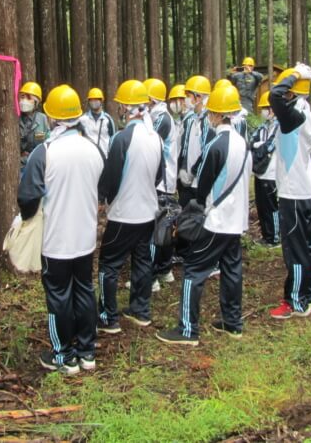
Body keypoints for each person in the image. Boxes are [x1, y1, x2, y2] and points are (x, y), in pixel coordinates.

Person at [17, 85, 105, 375]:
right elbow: (101, 188)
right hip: (85, 238)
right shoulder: (93, 149)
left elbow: (28, 197)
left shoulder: (45, 152)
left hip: (55, 240)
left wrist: (28, 217)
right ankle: (87, 351)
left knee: (58, 296)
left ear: (52, 118)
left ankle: (63, 355)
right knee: (83, 290)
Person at [156, 84, 248, 345]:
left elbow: (202, 185)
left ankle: (187, 330)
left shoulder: (215, 145)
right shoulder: (242, 142)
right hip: (234, 219)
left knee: (194, 270)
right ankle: (233, 322)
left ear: (217, 116)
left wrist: (198, 204)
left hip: (216, 218)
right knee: (232, 269)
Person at [97, 80, 164, 333]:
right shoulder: (155, 137)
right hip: (148, 212)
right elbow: (159, 176)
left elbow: (111, 176)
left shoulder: (121, 138)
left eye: (121, 105)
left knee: (108, 266)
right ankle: (140, 310)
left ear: (127, 106)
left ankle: (107, 317)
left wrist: (105, 200)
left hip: (124, 213)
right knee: (143, 260)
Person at [268, 64, 311, 319]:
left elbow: (273, 95)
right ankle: (308, 295)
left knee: (295, 249)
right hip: (301, 188)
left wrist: (295, 74)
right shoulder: (302, 112)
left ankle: (296, 300)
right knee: (305, 247)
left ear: (293, 92)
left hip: (294, 193)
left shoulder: (295, 115)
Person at [144, 78, 178, 286]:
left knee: (157, 231)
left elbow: (150, 143)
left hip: (161, 182)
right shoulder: (159, 116)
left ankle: (153, 276)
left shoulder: (162, 120)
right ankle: (165, 270)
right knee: (165, 228)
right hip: (164, 181)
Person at [178, 75, 213, 207]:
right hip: (190, 182)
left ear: (198, 97)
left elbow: (207, 152)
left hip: (200, 184)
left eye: (188, 95)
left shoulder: (208, 120)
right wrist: (183, 167)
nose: (186, 99)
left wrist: (192, 172)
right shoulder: (194, 119)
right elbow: (187, 147)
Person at [251, 91, 280, 247]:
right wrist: (258, 146)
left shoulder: (278, 127)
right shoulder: (263, 127)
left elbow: (268, 146)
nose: (263, 111)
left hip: (272, 173)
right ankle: (265, 235)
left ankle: (274, 237)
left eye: (265, 108)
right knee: (261, 206)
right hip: (259, 172)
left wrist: (259, 147)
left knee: (271, 206)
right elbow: (252, 142)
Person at [19, 82, 50, 168]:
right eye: (22, 97)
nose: (24, 100)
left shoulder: (42, 119)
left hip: (37, 163)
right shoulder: (14, 119)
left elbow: (46, 142)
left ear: (36, 102)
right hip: (19, 165)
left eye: (29, 97)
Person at [80, 87, 116, 157]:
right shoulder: (83, 119)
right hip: (89, 157)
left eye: (96, 99)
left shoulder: (108, 119)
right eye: (91, 100)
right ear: (89, 101)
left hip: (105, 157)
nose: (94, 102)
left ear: (101, 100)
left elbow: (113, 139)